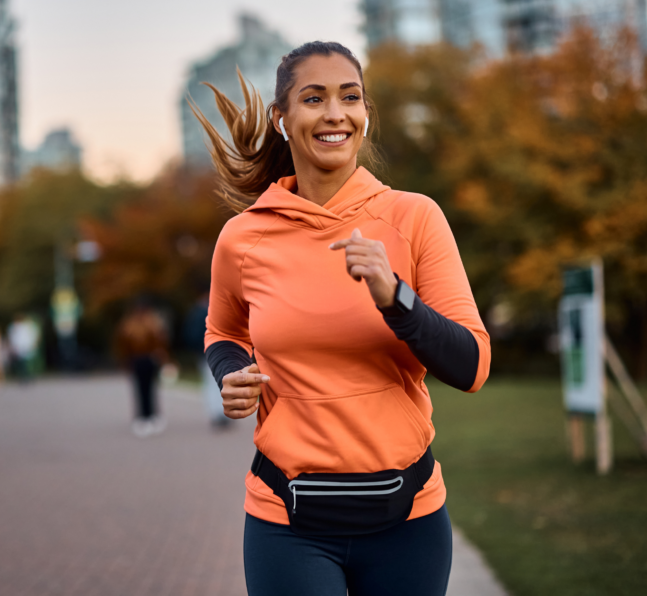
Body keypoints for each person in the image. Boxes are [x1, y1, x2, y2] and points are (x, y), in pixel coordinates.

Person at [194, 42, 491, 596]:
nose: (335, 113)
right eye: (314, 98)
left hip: (409, 522)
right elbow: (223, 330)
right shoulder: (243, 237)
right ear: (283, 120)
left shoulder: (414, 217)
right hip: (287, 521)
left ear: (365, 115)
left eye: (349, 97)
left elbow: (472, 366)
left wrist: (395, 298)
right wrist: (231, 372)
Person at [114, 299, 169, 438]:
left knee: (146, 388)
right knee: (144, 389)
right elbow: (123, 344)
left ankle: (148, 415)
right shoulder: (147, 323)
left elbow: (160, 342)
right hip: (140, 359)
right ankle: (146, 416)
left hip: (144, 359)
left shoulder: (134, 324)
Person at [183, 292, 229, 429]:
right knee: (215, 383)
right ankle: (219, 413)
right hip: (212, 351)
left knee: (212, 383)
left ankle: (218, 413)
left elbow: (189, 335)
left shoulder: (196, 313)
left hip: (207, 352)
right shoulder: (205, 313)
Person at [7, 314, 39, 383]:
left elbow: (31, 336)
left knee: (26, 362)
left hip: (26, 346)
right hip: (18, 347)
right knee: (21, 363)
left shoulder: (26, 326)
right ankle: (22, 376)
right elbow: (12, 337)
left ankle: (27, 375)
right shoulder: (13, 327)